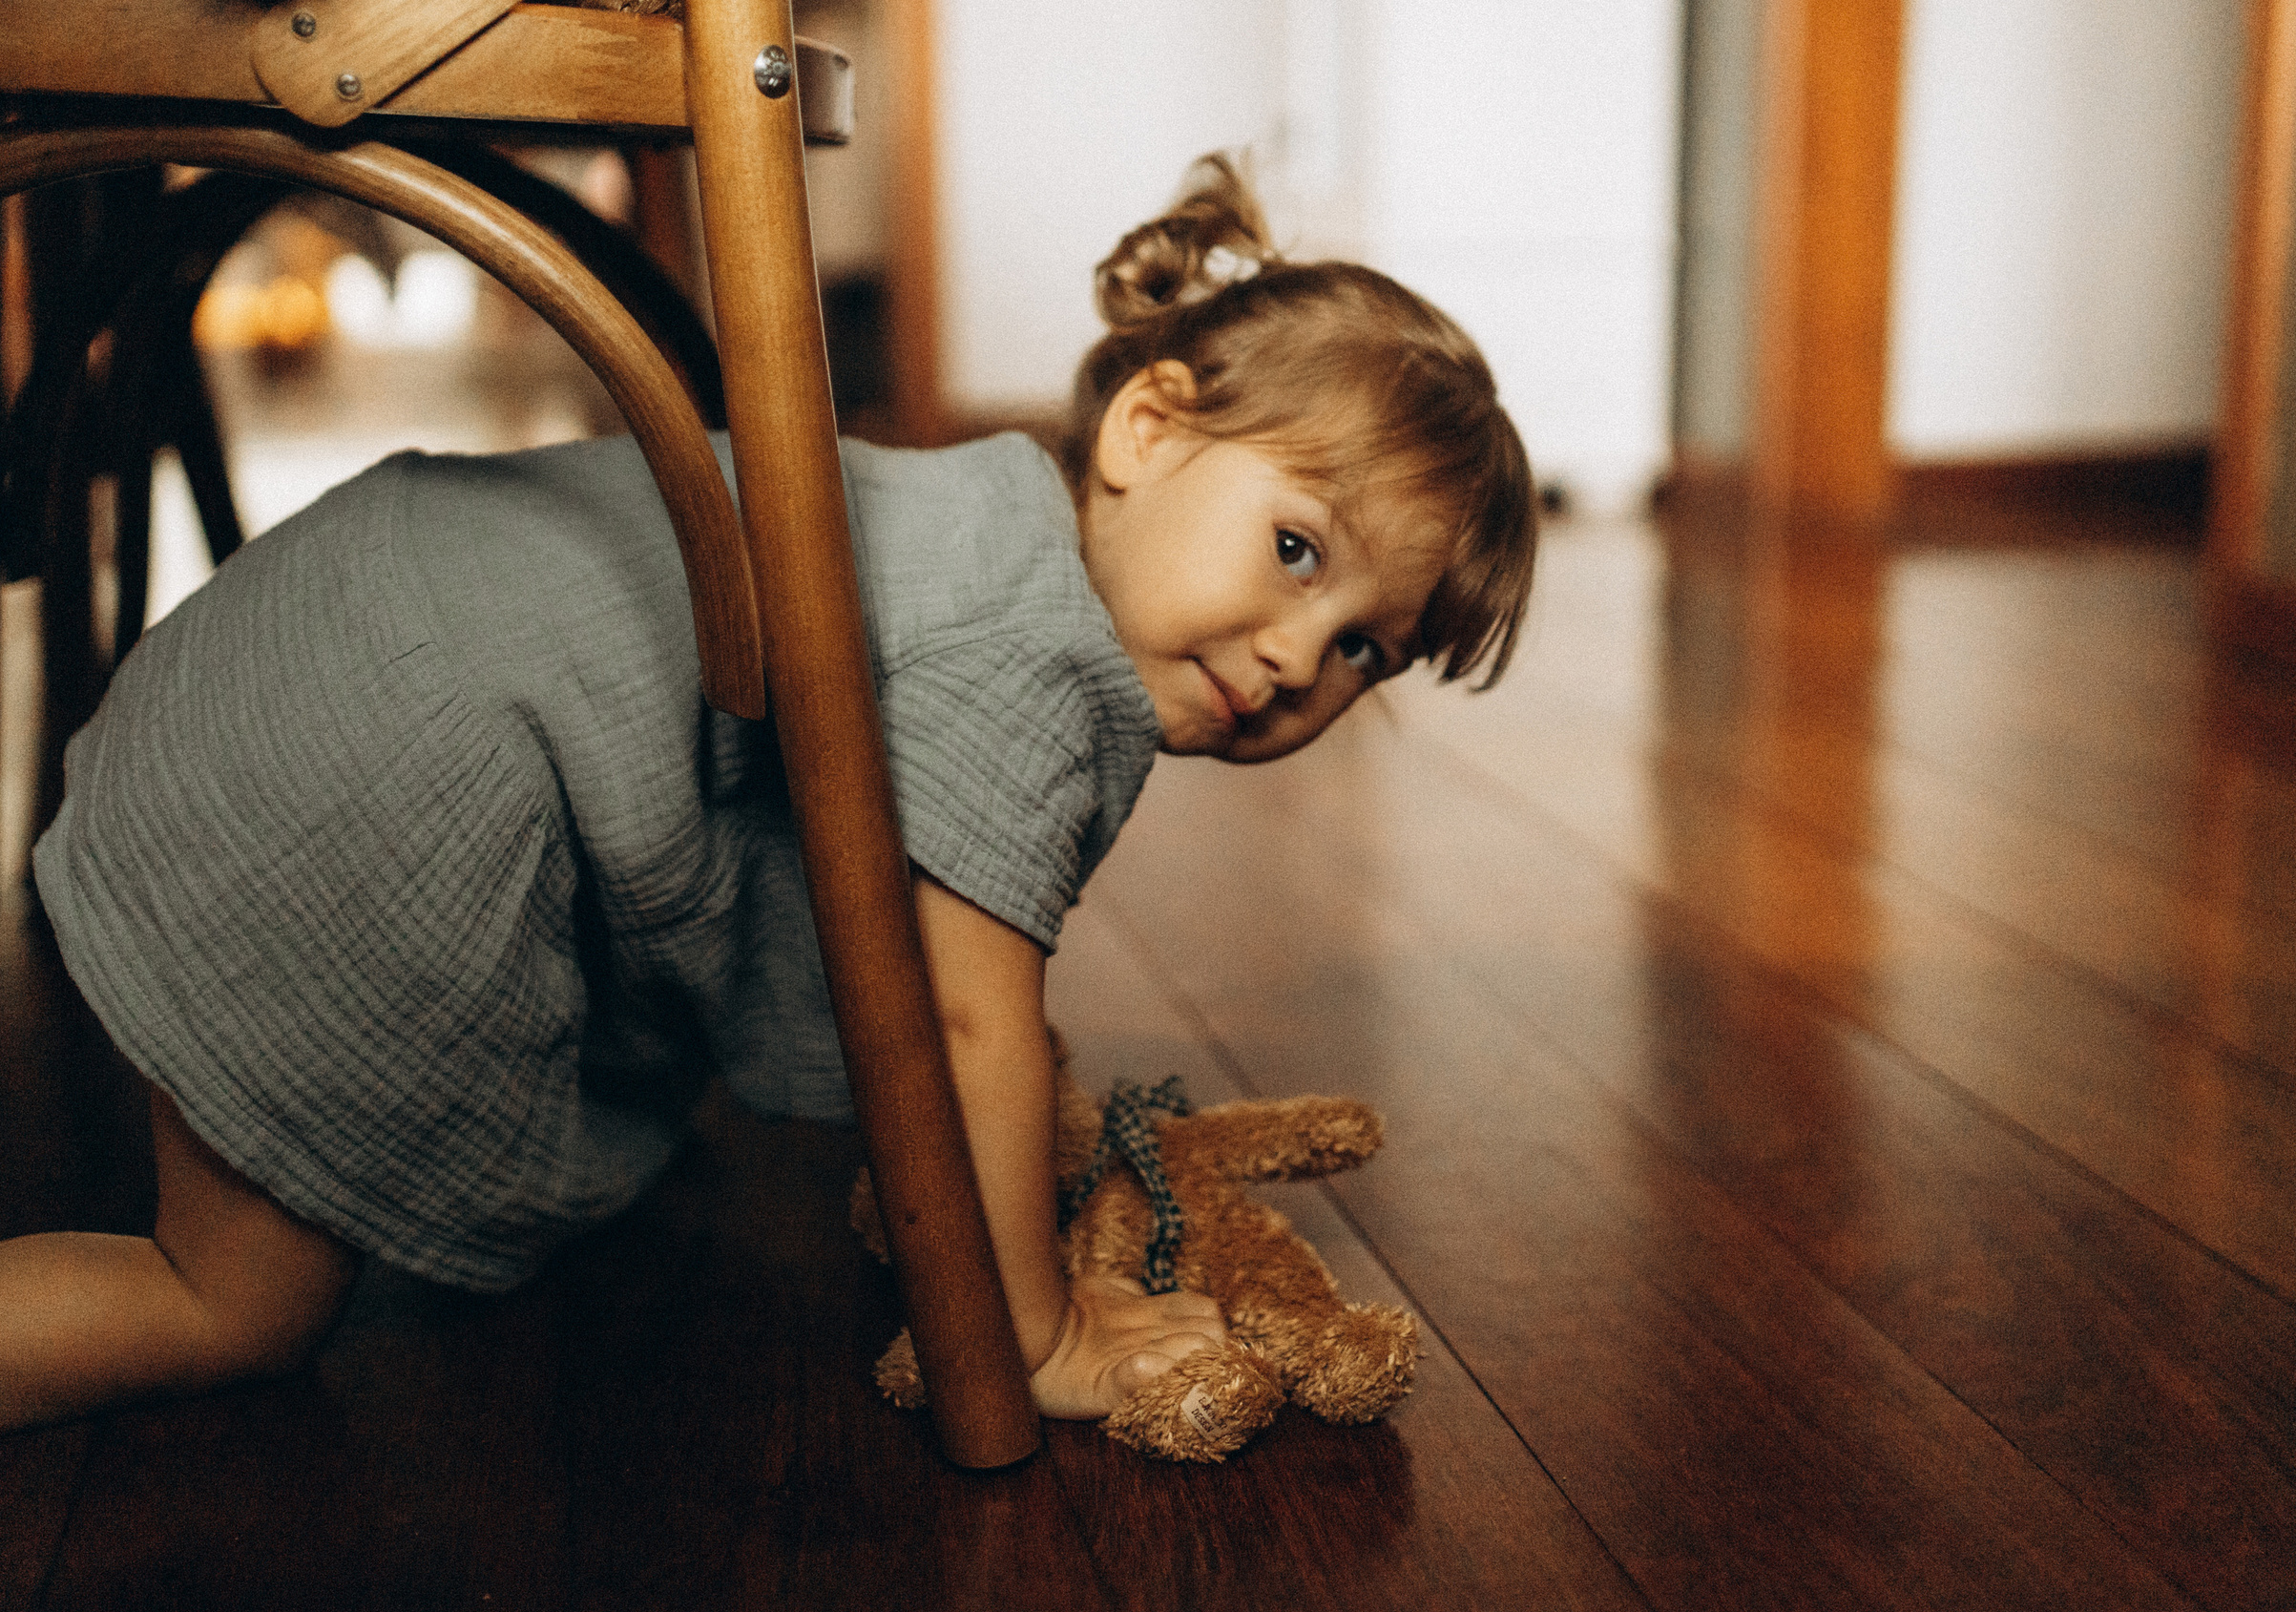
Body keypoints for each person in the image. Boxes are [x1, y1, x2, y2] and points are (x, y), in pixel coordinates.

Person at [0, 155, 1536, 1434]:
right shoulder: (1022, 654)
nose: (1295, 660)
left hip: (307, 651)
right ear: (1147, 428)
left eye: (1364, 653)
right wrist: (1037, 1331)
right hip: (354, 767)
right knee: (235, 1306)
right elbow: (956, 1016)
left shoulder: (980, 522)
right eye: (1295, 550)